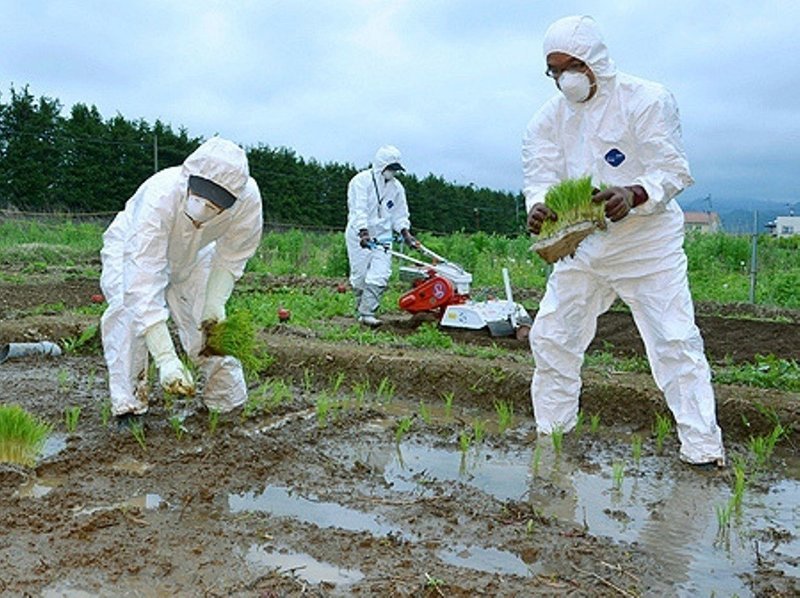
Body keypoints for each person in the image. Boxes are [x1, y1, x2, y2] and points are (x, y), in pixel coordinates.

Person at [523, 15, 725, 467]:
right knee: (553, 337)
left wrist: (634, 193)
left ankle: (703, 449)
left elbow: (672, 170)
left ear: (594, 60)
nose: (564, 79)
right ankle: (552, 433)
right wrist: (538, 205)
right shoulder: (547, 121)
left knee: (674, 343)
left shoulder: (646, 100)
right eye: (554, 70)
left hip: (646, 246)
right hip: (585, 246)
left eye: (571, 65)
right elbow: (539, 175)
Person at [100, 136, 263, 426]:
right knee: (128, 315)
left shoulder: (247, 200)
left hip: (195, 254)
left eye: (215, 205)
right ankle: (129, 408)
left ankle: (226, 403)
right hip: (133, 250)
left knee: (211, 330)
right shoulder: (160, 195)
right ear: (189, 177)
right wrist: (165, 357)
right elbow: (143, 278)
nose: (205, 209)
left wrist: (213, 306)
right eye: (200, 197)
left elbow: (231, 257)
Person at [345, 145, 420, 327]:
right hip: (359, 236)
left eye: (395, 170)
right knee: (360, 276)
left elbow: (400, 214)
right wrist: (363, 233)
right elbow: (358, 210)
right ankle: (360, 310)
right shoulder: (361, 182)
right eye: (391, 168)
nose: (393, 173)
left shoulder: (396, 188)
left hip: (383, 236)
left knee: (380, 274)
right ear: (381, 165)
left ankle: (367, 313)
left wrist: (406, 233)